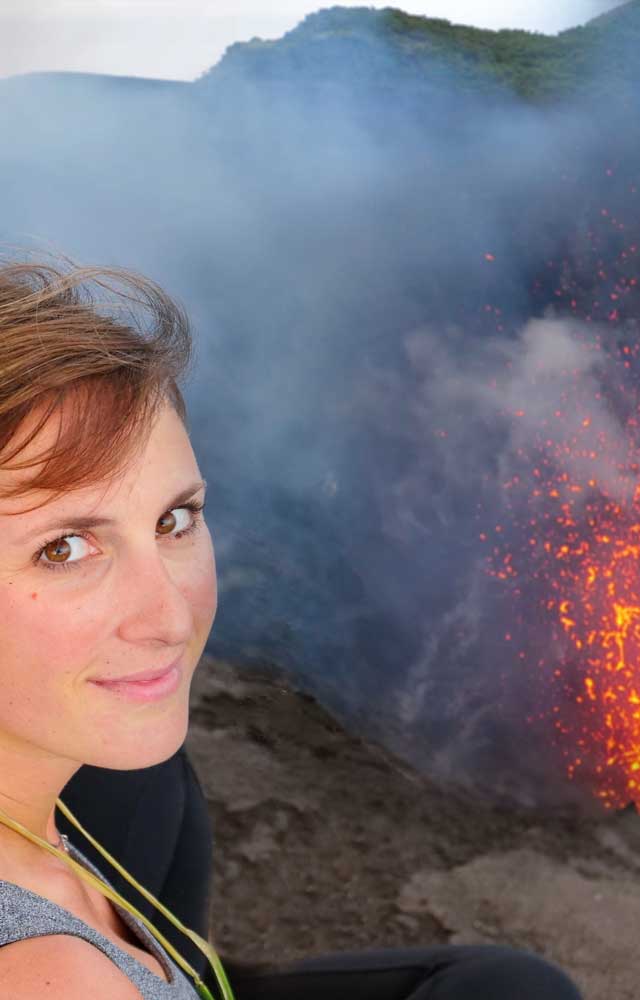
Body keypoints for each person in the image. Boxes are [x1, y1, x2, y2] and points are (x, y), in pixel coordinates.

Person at [0, 260, 583, 1000]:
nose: (172, 617)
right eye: (65, 548)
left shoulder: (89, 776)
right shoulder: (50, 977)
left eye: (174, 520)